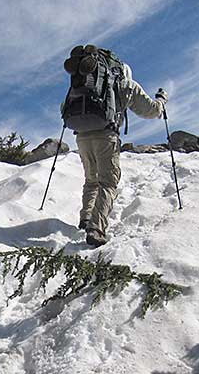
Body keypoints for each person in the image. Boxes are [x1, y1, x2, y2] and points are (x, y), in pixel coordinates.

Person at [72, 55, 168, 247]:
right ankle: (96, 228)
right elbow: (149, 110)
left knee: (91, 181)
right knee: (108, 182)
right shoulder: (125, 84)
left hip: (82, 135)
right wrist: (161, 102)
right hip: (106, 135)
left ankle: (86, 217)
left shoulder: (85, 82)